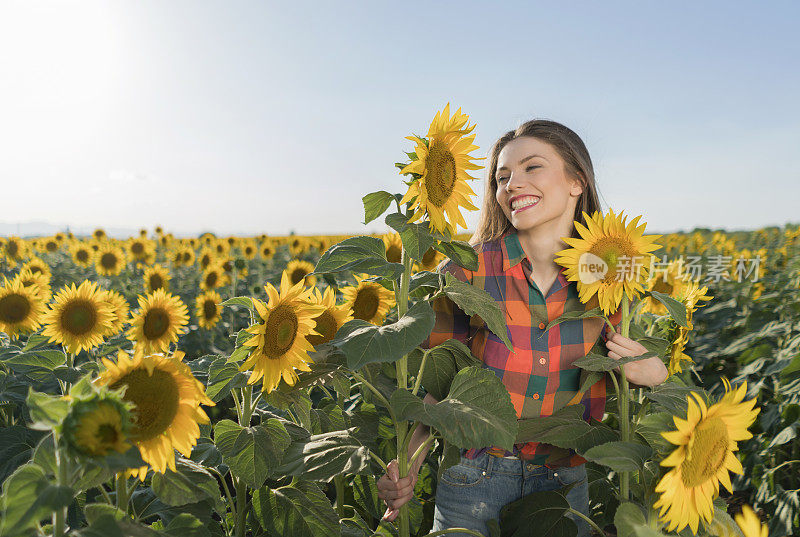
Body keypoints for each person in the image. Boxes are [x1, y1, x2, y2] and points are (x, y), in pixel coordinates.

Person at [375, 119, 669, 537]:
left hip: (565, 484)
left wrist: (654, 377)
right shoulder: (466, 269)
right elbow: (439, 381)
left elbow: (622, 368)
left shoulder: (608, 274)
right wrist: (409, 461)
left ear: (576, 182)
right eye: (502, 176)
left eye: (532, 168)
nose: (513, 183)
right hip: (476, 474)